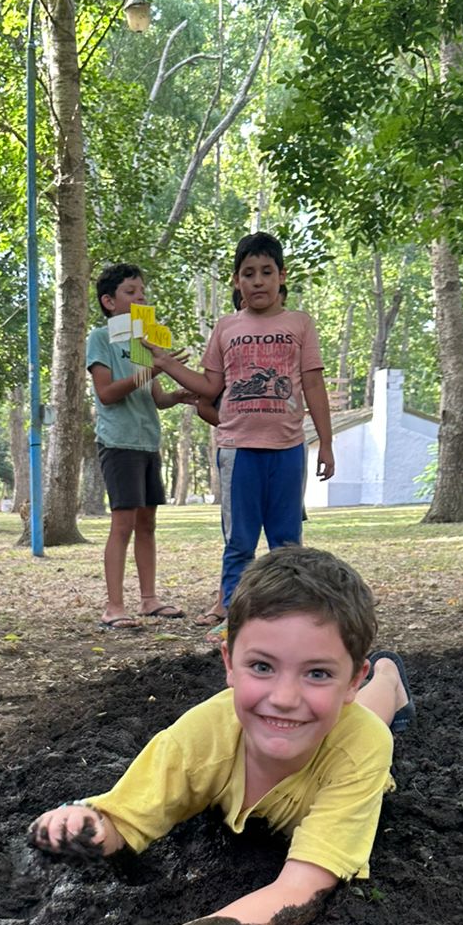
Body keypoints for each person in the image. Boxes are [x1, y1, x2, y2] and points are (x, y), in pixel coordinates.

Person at [29, 546, 413, 925]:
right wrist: (81, 825)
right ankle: (375, 682)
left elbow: (303, 887)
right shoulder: (202, 735)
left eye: (318, 673)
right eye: (262, 667)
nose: (285, 697)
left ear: (350, 676)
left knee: (369, 721)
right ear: (229, 662)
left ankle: (388, 677)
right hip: (320, 726)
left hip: (348, 742)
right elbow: (120, 821)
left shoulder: (359, 750)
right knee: (327, 715)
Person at [150, 234, 335, 637]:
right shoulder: (226, 327)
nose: (257, 282)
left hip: (288, 450)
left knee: (288, 543)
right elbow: (207, 385)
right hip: (237, 451)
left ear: (282, 276)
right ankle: (236, 621)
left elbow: (314, 386)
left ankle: (292, 619)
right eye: (248, 274)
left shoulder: (300, 324)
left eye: (266, 272)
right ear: (236, 281)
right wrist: (165, 364)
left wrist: (327, 443)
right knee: (239, 542)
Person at [86, 264, 195, 629]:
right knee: (123, 524)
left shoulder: (145, 340)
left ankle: (149, 600)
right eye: (131, 292)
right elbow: (107, 393)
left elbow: (157, 397)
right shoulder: (100, 338)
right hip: (118, 442)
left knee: (147, 524)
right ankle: (113, 606)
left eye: (142, 292)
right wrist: (155, 369)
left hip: (148, 442)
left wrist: (180, 394)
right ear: (109, 301)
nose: (140, 298)